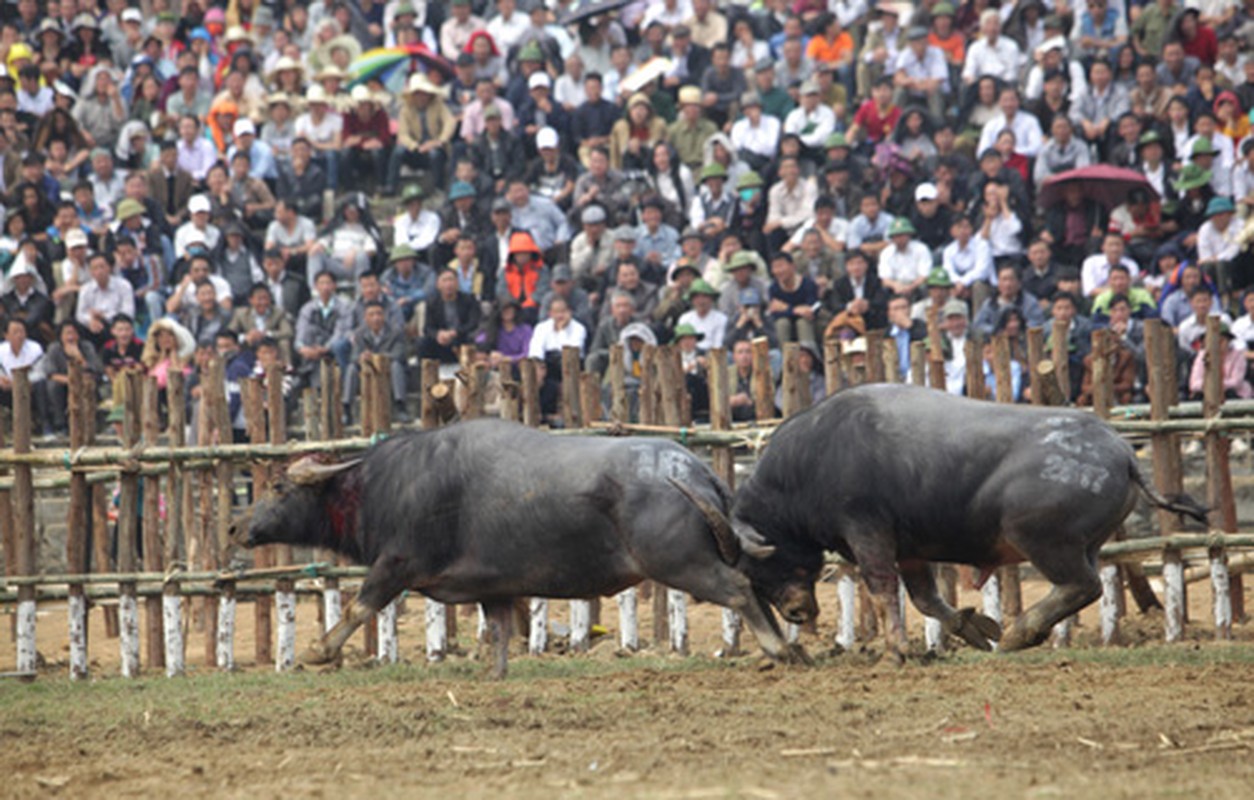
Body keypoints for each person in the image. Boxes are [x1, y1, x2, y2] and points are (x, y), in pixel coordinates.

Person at [343, 300, 409, 423]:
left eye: (379, 314)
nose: (376, 318)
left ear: (384, 316)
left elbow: (399, 354)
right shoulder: (359, 333)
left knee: (396, 365)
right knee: (351, 368)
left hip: (388, 369)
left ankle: (400, 407)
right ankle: (346, 408)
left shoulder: (396, 332)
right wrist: (361, 357)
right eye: (371, 315)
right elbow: (353, 357)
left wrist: (375, 357)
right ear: (365, 318)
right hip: (367, 370)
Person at [528, 294, 587, 422]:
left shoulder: (578, 328)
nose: (560, 315)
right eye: (556, 312)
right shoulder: (541, 327)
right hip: (547, 365)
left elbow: (572, 350)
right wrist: (539, 368)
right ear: (550, 313)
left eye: (563, 311)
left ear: (569, 312)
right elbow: (535, 350)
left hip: (571, 365)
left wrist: (561, 330)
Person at [295, 270, 354, 387]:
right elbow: (301, 330)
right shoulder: (308, 308)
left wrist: (325, 348)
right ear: (316, 286)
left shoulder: (344, 305)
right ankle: (310, 378)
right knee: (310, 331)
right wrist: (302, 348)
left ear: (334, 285)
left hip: (333, 347)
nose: (325, 287)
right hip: (313, 348)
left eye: (328, 283)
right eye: (321, 283)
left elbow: (341, 330)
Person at [419, 268, 483, 364]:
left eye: (451, 280)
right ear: (438, 285)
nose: (448, 284)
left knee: (478, 338)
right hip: (442, 341)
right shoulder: (432, 302)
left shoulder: (469, 300)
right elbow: (427, 328)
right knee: (422, 343)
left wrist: (455, 332)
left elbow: (473, 323)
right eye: (444, 280)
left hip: (462, 337)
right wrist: (438, 334)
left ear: (457, 283)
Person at [0, 318, 48, 433]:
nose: (20, 335)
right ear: (6, 335)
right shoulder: (1, 350)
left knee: (41, 386)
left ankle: (46, 424)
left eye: (22, 331)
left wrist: (23, 382)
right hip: (7, 388)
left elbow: (40, 372)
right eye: (15, 332)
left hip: (30, 386)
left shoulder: (35, 348)